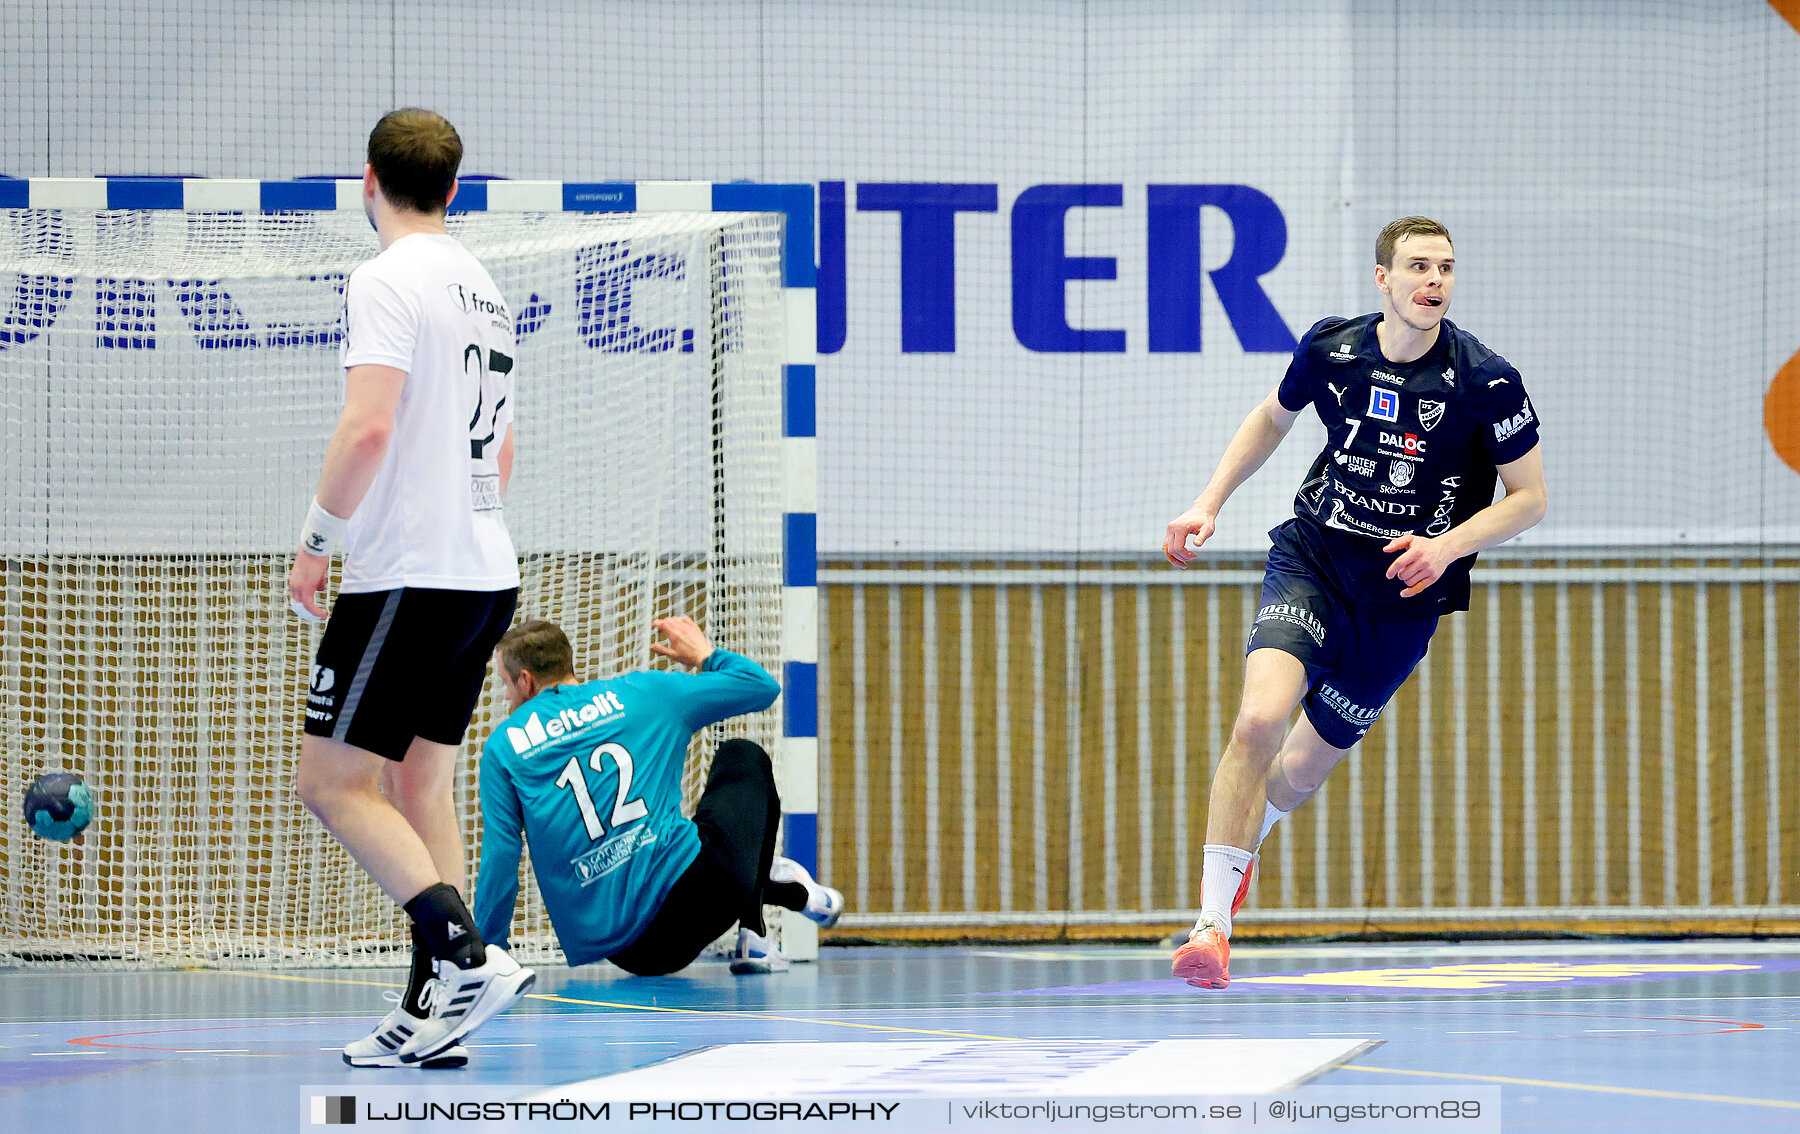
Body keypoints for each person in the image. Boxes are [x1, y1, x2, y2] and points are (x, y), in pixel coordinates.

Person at [1162, 217, 1547, 988]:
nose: (1432, 281)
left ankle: (1245, 845)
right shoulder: (1333, 349)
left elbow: (1530, 499)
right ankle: (1211, 927)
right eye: (1416, 266)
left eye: (1444, 267)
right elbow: (1272, 416)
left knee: (1300, 771)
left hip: (1401, 599)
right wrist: (1209, 501)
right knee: (1260, 719)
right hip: (1313, 557)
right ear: (1383, 279)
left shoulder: (1484, 379)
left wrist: (1446, 547)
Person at [287, 108, 534, 1067]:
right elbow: (502, 451)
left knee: (331, 782)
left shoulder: (385, 278)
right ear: (455, 189)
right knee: (419, 777)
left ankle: (465, 951)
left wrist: (319, 544)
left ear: (367, 181)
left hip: (408, 575)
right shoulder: (484, 285)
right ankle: (440, 1012)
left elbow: (369, 429)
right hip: (484, 572)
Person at [472, 616, 843, 978]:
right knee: (742, 755)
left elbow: (501, 856)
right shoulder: (641, 693)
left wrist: (490, 953)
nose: (506, 696)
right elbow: (761, 686)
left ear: (526, 680)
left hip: (635, 955)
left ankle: (774, 889)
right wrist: (704, 656)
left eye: (504, 684)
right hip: (707, 898)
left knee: (703, 839)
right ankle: (756, 928)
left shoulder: (504, 746)